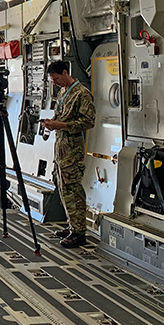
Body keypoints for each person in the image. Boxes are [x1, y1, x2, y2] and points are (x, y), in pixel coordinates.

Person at [41, 61, 96, 248]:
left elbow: (88, 121)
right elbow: (61, 115)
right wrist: (52, 123)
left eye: (56, 78)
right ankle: (72, 225)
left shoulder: (82, 94)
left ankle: (79, 232)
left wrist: (62, 126)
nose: (55, 83)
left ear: (65, 72)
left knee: (72, 189)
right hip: (61, 146)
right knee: (63, 187)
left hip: (72, 147)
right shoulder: (64, 93)